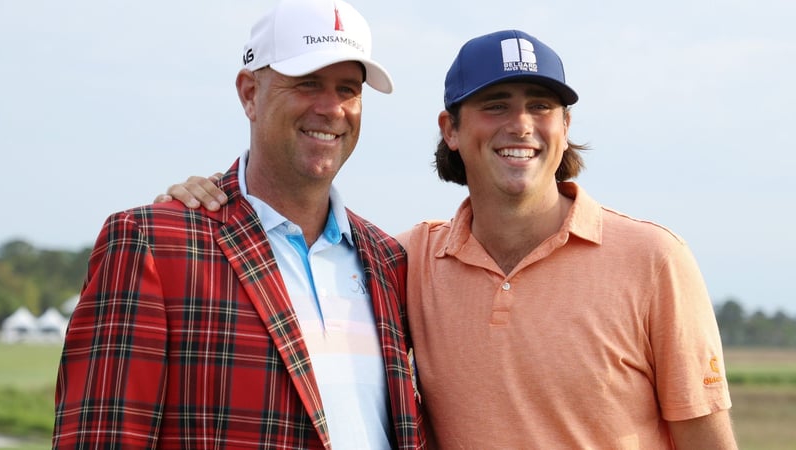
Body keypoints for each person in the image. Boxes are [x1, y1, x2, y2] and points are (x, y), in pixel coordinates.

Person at [161, 30, 738, 449]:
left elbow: (707, 440)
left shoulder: (654, 259)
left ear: (565, 128)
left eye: (542, 107)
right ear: (451, 129)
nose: (521, 126)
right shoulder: (403, 261)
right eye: (495, 106)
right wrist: (212, 193)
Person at [53, 0, 426, 448]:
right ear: (249, 93)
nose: (332, 108)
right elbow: (104, 436)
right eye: (308, 84)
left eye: (348, 89)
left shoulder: (388, 260)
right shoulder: (153, 244)